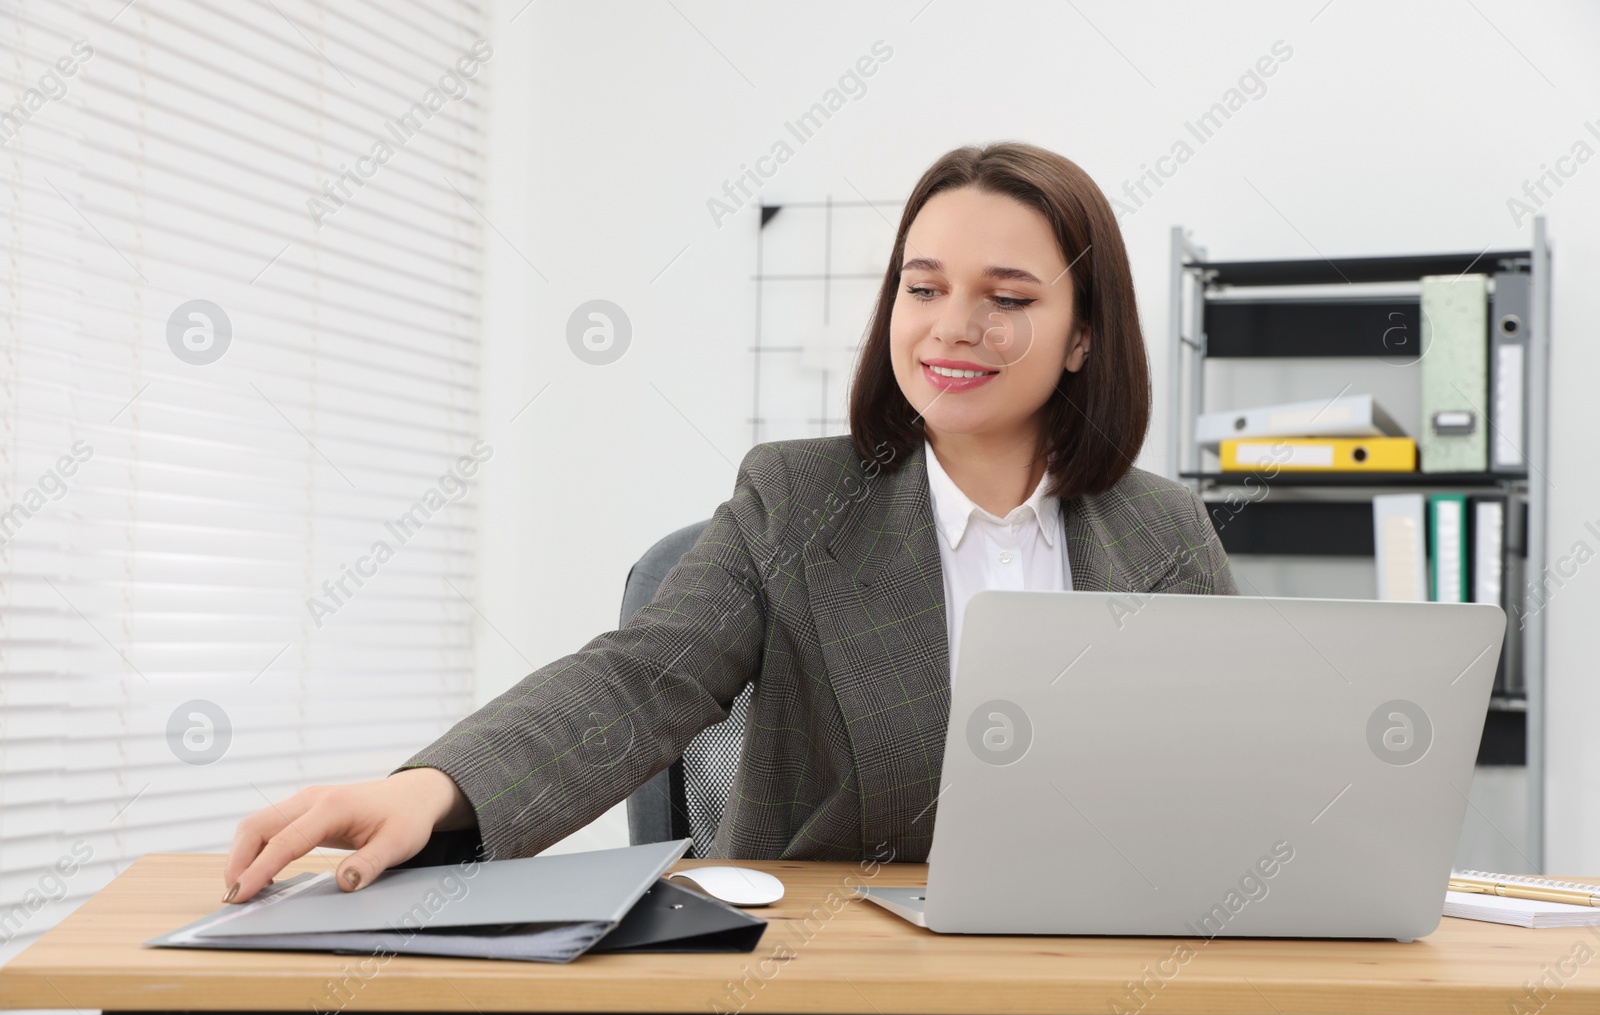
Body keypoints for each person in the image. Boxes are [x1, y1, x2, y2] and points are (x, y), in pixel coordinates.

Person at [221, 141, 1236, 904]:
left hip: (1098, 957)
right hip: (832, 979)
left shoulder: (1163, 529)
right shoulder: (796, 500)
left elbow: (1230, 770)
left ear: (1081, 337)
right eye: (922, 288)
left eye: (1005, 296)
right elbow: (636, 677)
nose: (950, 325)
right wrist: (439, 786)